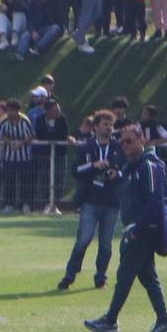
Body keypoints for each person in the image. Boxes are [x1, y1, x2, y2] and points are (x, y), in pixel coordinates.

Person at [81, 124, 167, 332]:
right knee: (147, 275)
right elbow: (130, 191)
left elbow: (154, 201)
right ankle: (164, 320)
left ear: (142, 141)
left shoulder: (149, 166)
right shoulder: (132, 167)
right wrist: (116, 178)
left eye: (129, 141)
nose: (124, 145)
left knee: (125, 274)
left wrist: (137, 227)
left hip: (143, 230)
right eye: (122, 142)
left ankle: (110, 320)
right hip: (137, 228)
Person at [60, 109, 122, 290]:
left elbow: (125, 171)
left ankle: (101, 277)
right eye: (105, 124)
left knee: (106, 243)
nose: (109, 128)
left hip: (111, 202)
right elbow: (75, 170)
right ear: (95, 126)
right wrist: (94, 165)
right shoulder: (86, 147)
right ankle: (70, 274)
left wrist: (115, 174)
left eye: (111, 124)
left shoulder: (118, 148)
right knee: (84, 239)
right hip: (90, 200)